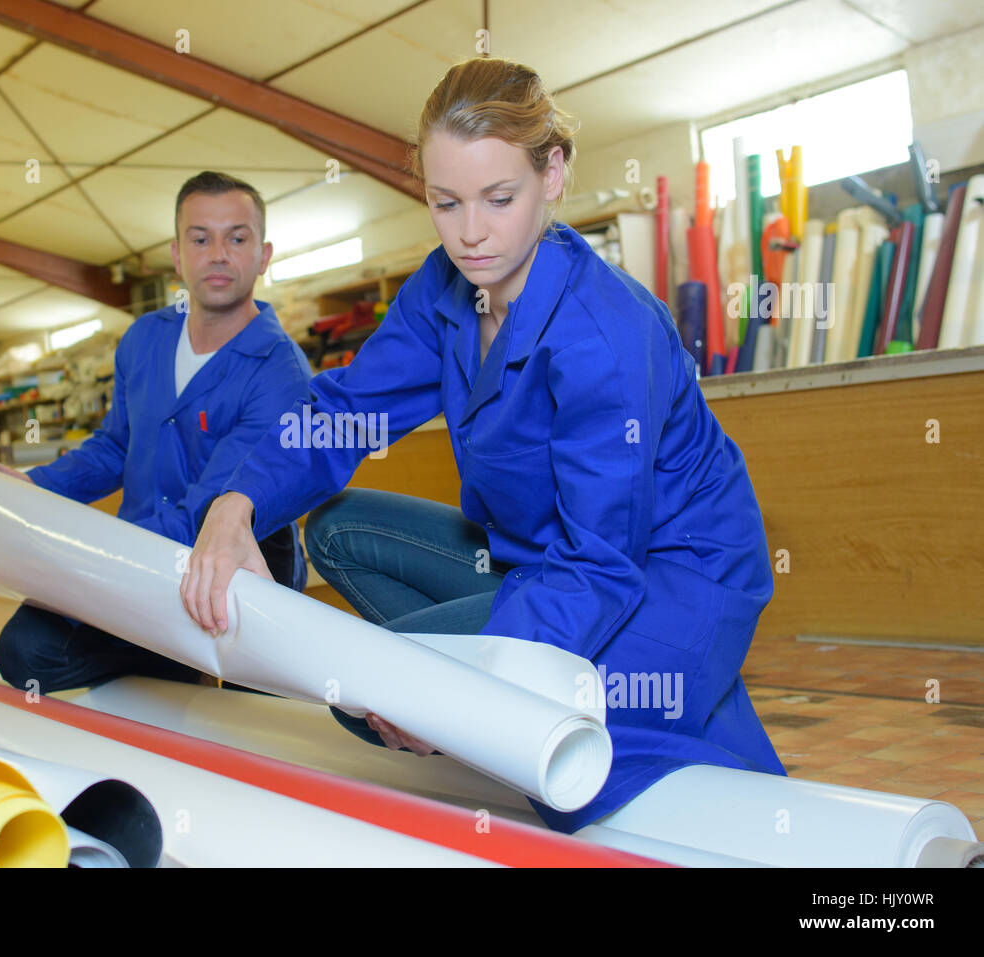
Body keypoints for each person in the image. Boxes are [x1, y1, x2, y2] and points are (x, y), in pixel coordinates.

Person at [180, 57, 786, 833]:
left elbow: (601, 562)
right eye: (445, 202)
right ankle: (532, 675)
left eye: (500, 199)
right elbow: (347, 410)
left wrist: (461, 697)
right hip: (549, 558)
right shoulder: (442, 288)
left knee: (564, 772)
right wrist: (239, 501)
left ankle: (668, 692)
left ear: (554, 172)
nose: (470, 233)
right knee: (338, 536)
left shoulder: (604, 336)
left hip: (669, 571)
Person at [0, 171, 312, 694]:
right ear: (177, 255)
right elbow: (115, 446)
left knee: (260, 712)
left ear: (264, 254)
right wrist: (33, 487)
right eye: (200, 238)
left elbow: (207, 511)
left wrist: (83, 565)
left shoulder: (281, 372)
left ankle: (183, 653)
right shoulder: (143, 340)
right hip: (138, 545)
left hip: (239, 558)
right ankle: (169, 658)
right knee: (25, 651)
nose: (219, 254)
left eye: (237, 237)